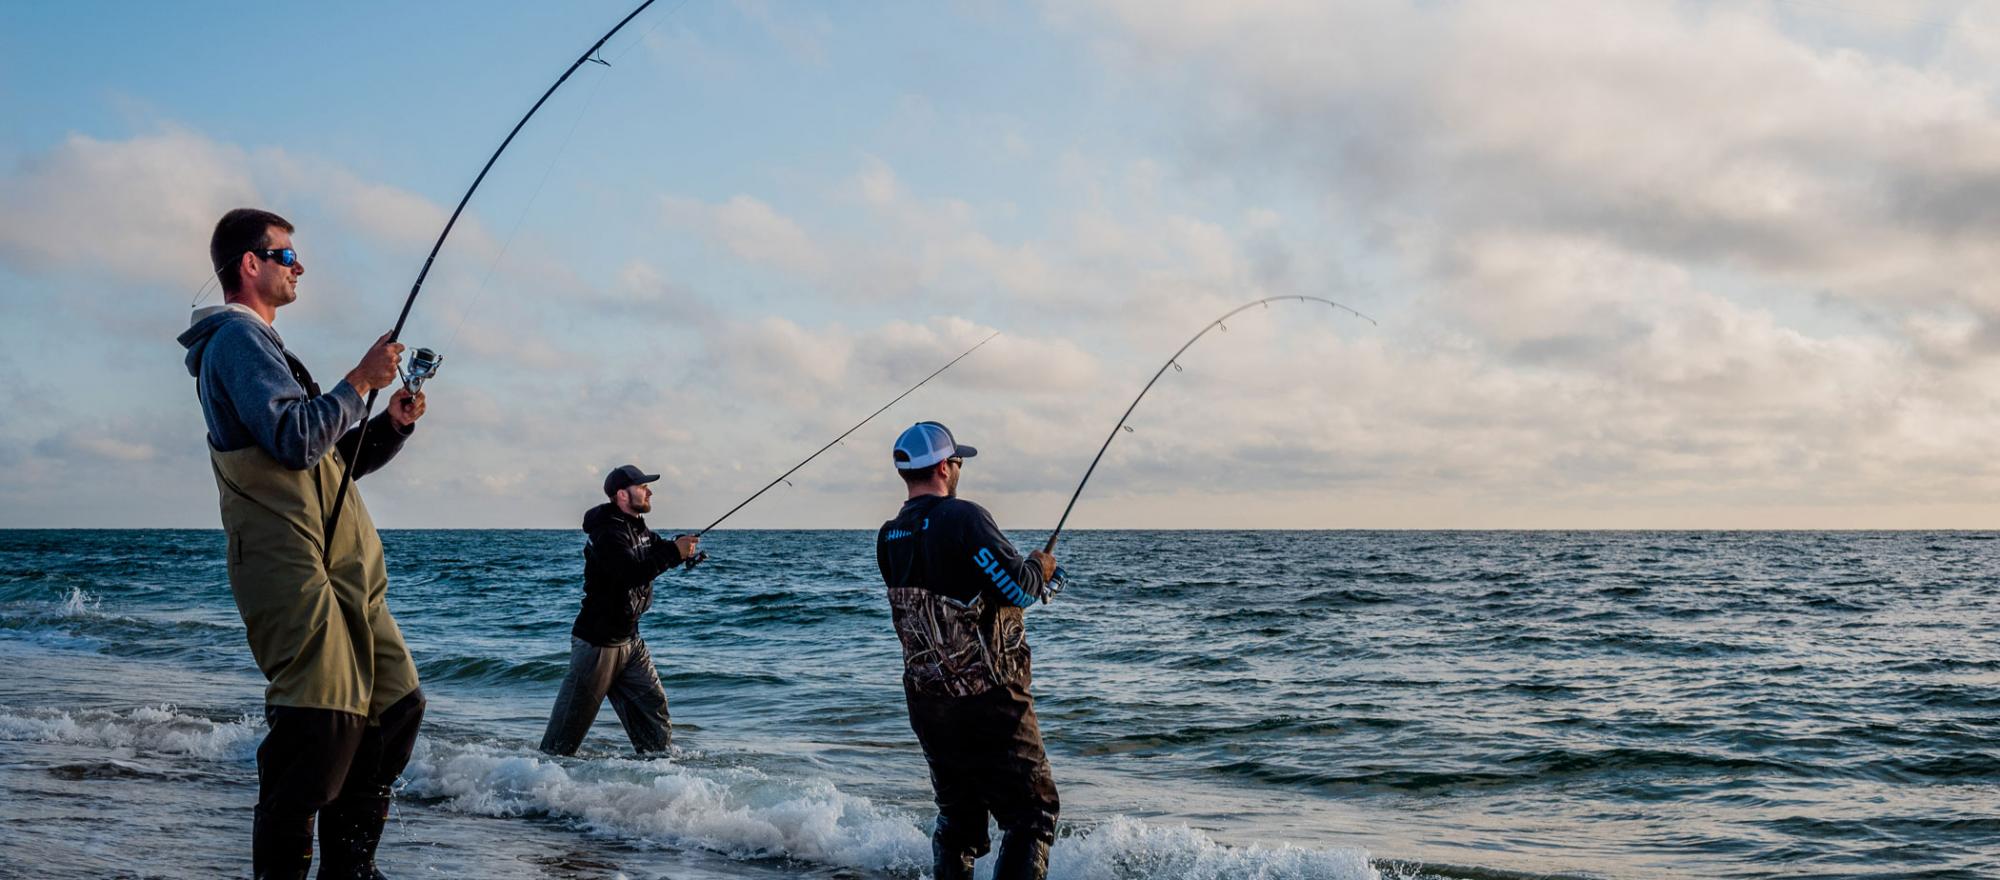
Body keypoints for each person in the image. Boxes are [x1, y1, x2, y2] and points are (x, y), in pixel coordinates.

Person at [177, 208, 429, 879]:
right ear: (248, 265)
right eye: (285, 256)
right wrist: (360, 381)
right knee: (318, 731)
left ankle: (349, 869)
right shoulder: (235, 340)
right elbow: (294, 438)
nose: (299, 267)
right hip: (288, 565)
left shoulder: (265, 347)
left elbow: (324, 460)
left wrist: (390, 424)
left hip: (336, 568)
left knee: (395, 705)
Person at [875, 421, 1063, 880]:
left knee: (958, 820)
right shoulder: (963, 517)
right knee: (1031, 816)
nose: (959, 467)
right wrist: (1041, 567)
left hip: (927, 703)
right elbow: (1016, 590)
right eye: (957, 460)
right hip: (989, 701)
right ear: (944, 466)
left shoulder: (889, 535)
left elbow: (945, 596)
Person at [539, 465, 700, 756]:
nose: (649, 491)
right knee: (563, 739)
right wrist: (673, 552)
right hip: (596, 646)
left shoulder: (639, 528)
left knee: (655, 713)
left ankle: (660, 781)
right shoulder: (607, 532)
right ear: (622, 495)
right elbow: (630, 572)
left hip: (630, 643)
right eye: (642, 487)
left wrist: (680, 550)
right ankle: (534, 789)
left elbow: (655, 551)